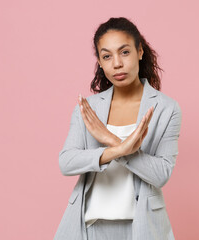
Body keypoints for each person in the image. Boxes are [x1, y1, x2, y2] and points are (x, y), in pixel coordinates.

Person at [54, 17, 182, 240]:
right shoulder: (89, 108)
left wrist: (109, 138)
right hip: (89, 225)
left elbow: (161, 174)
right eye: (107, 56)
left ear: (140, 51)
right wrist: (118, 148)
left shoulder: (166, 108)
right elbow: (67, 162)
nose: (116, 64)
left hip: (142, 226)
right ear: (100, 63)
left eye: (124, 52)